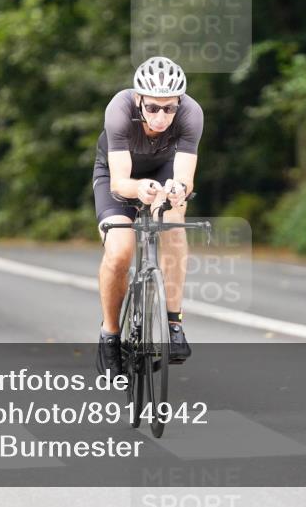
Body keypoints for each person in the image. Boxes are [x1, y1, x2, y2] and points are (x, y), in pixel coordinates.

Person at [92, 57, 203, 375]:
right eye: (153, 108)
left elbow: (184, 175)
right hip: (120, 176)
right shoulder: (119, 109)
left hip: (163, 171)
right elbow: (119, 182)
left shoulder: (191, 114)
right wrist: (139, 189)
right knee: (119, 252)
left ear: (179, 103)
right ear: (138, 99)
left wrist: (177, 190)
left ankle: (173, 323)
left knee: (174, 223)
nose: (161, 116)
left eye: (169, 108)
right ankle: (110, 334)